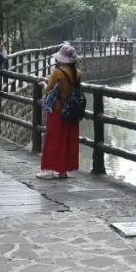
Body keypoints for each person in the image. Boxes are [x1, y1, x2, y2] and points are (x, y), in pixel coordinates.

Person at [37, 44, 81, 180]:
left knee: (52, 139)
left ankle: (47, 170)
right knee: (66, 140)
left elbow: (49, 89)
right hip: (71, 111)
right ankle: (62, 170)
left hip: (57, 110)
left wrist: (43, 84)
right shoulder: (78, 73)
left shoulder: (58, 72)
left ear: (62, 59)